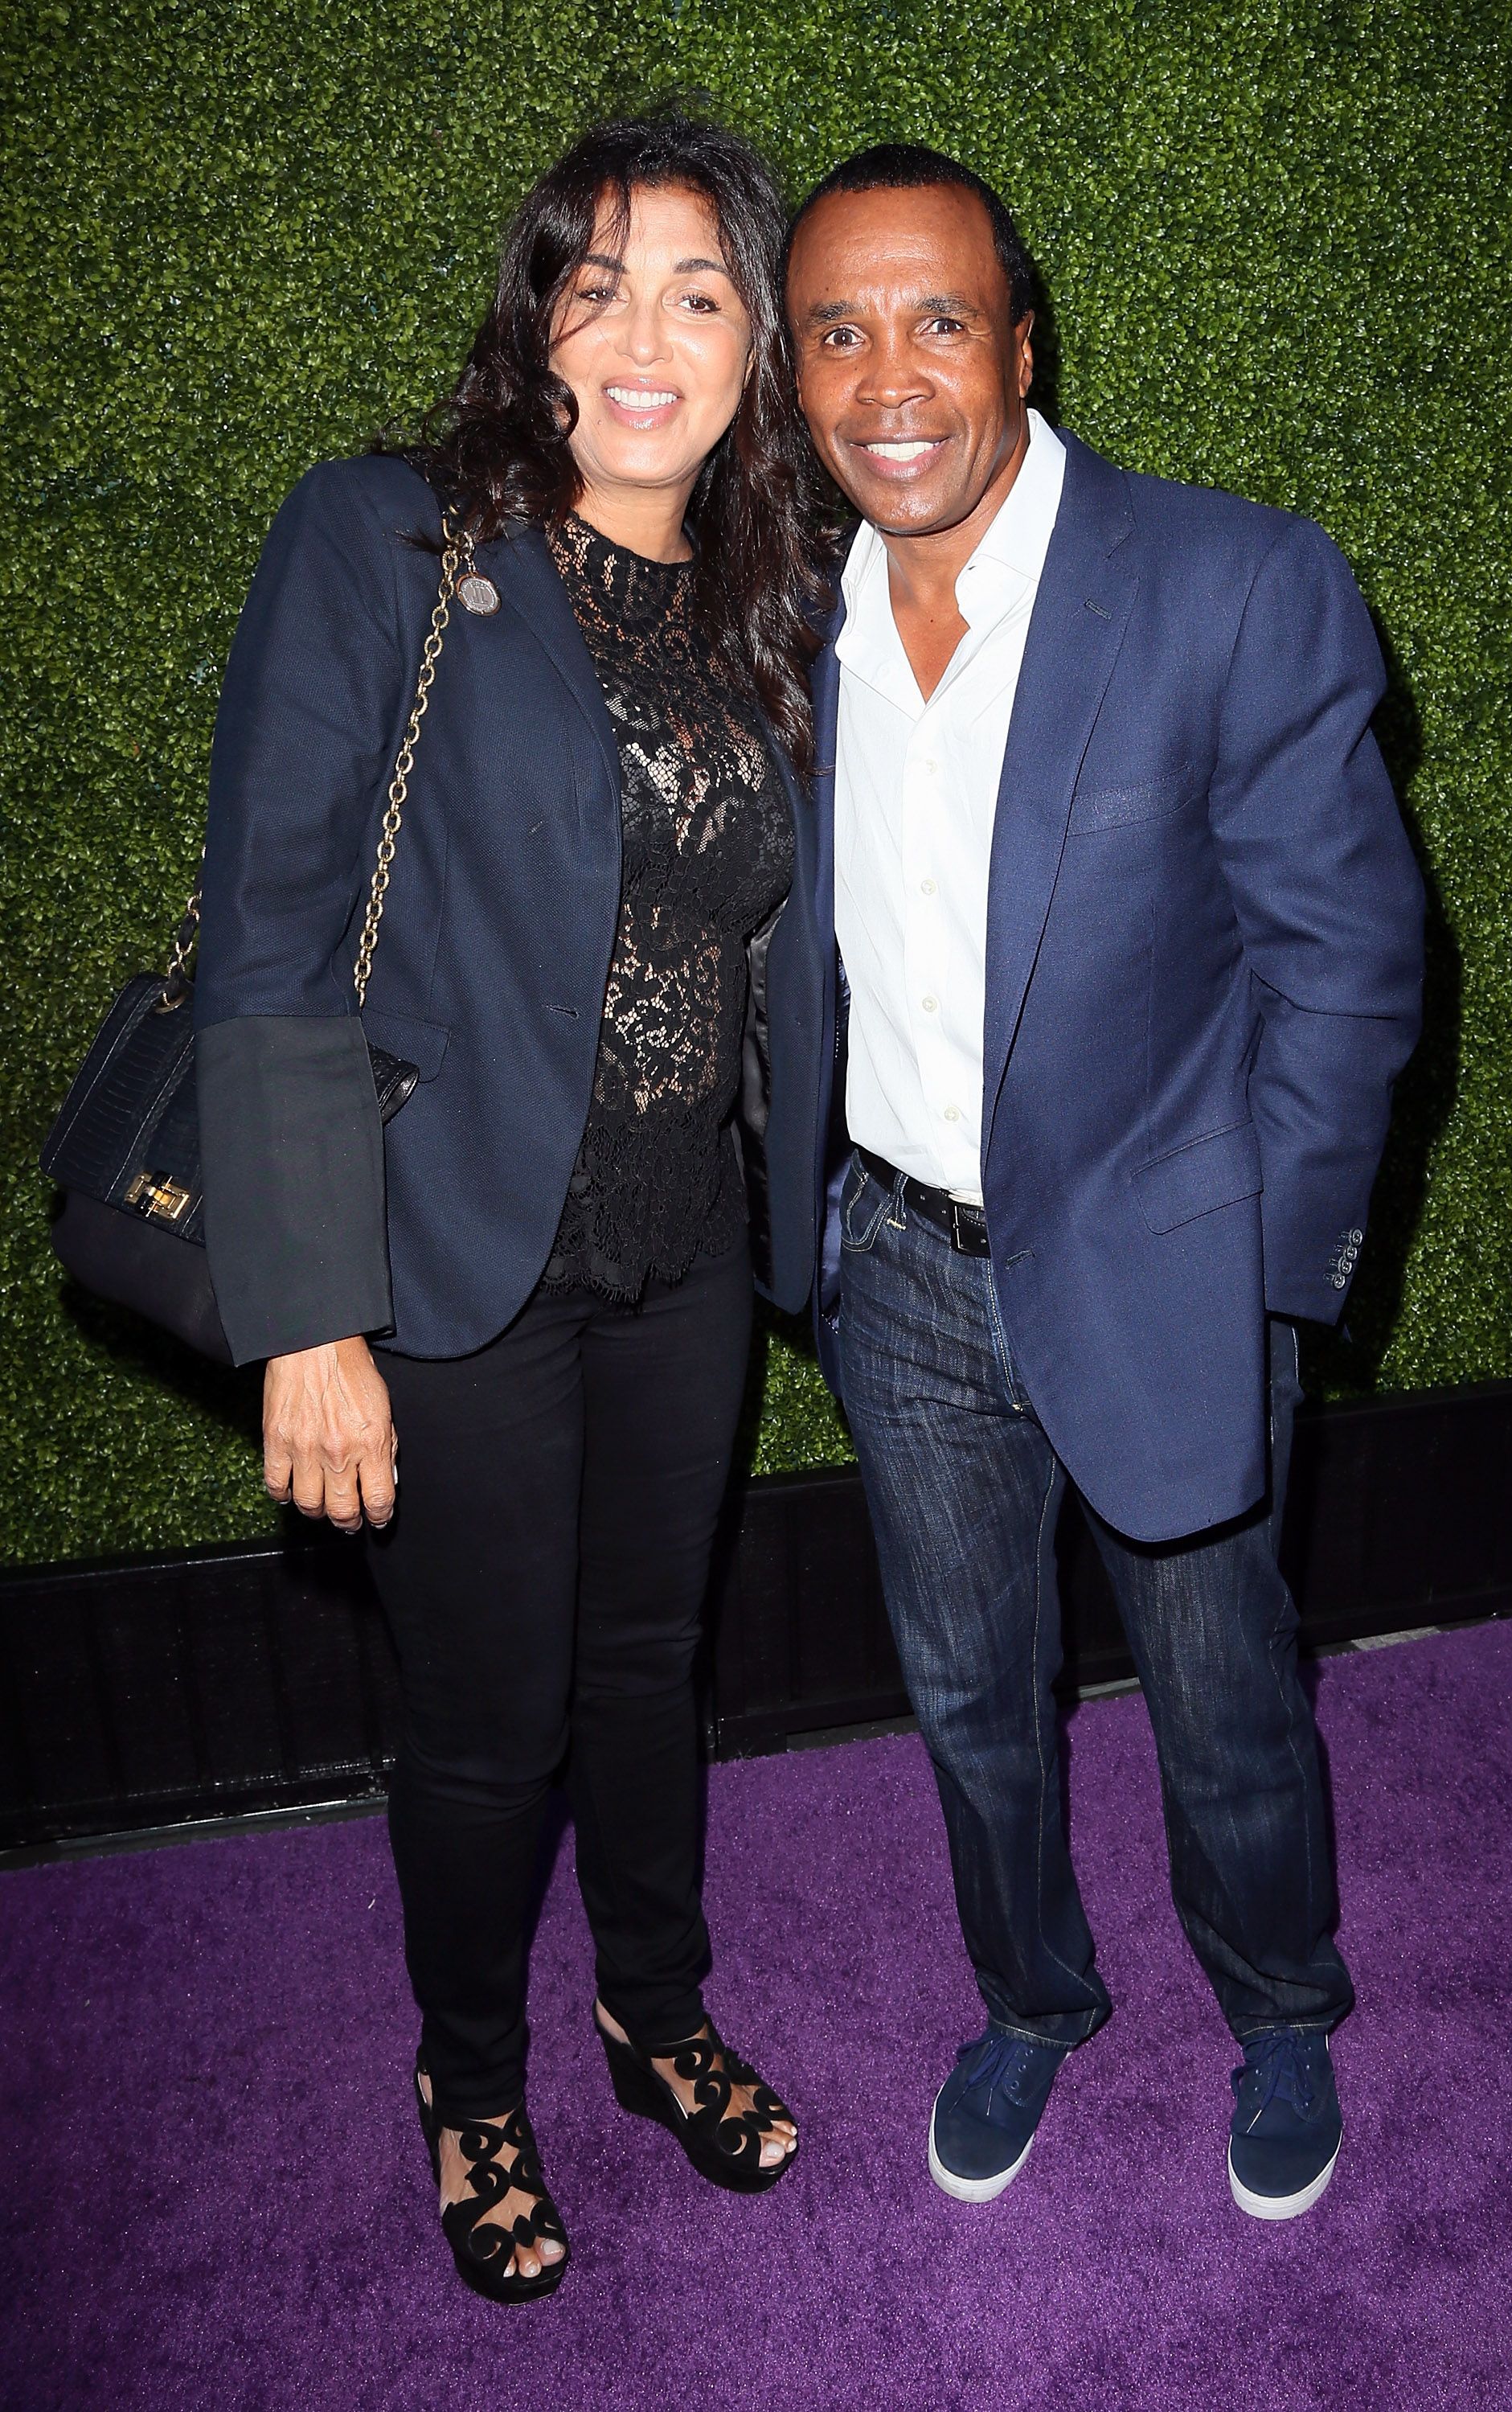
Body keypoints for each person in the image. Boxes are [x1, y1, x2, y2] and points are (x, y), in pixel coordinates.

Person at [194, 110, 826, 2303]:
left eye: (697, 291)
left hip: (685, 1251)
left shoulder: (775, 605)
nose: (642, 337)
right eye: (598, 280)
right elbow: (273, 931)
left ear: (756, 339)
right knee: (485, 1722)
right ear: (532, 302)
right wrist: (303, 1310)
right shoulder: (388, 537)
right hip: (452, 1264)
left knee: (647, 1668)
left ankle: (650, 2011)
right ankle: (469, 2080)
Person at [785, 145, 1425, 2219]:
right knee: (971, 1697)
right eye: (840, 332)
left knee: (1224, 1693)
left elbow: (1347, 967)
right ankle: (1035, 1998)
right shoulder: (785, 618)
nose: (894, 376)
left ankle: (1282, 2007)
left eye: (939, 319)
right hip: (893, 1263)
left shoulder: (1233, 583)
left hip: (1168, 1261)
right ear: (797, 377)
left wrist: (1267, 1276)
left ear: (1022, 338)